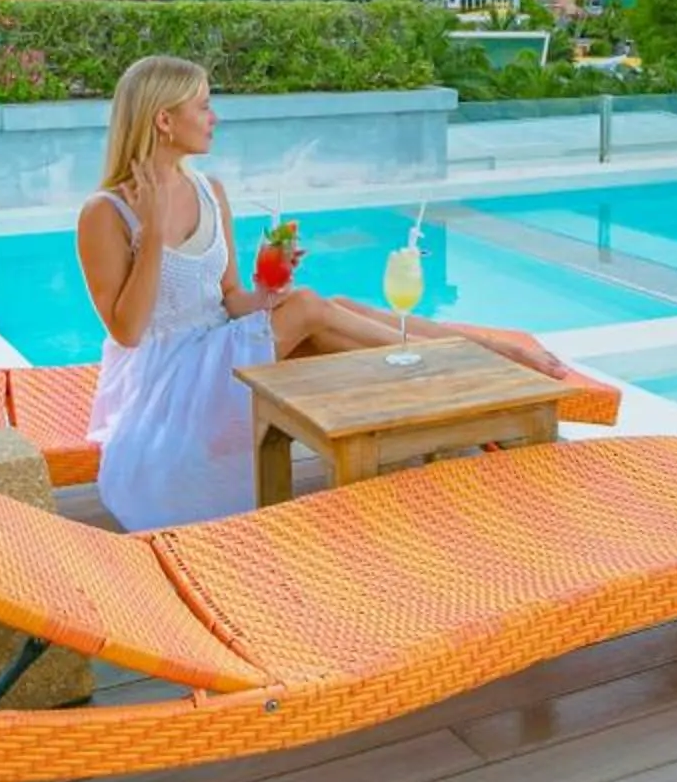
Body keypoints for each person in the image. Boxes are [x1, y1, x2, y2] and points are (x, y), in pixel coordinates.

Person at [75, 53, 567, 528]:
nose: (214, 117)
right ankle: (470, 365)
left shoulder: (210, 191)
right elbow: (128, 332)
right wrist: (154, 236)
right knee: (310, 307)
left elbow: (229, 299)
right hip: (168, 380)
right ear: (164, 120)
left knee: (333, 308)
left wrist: (269, 290)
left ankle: (470, 369)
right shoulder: (106, 212)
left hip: (218, 350)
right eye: (203, 105)